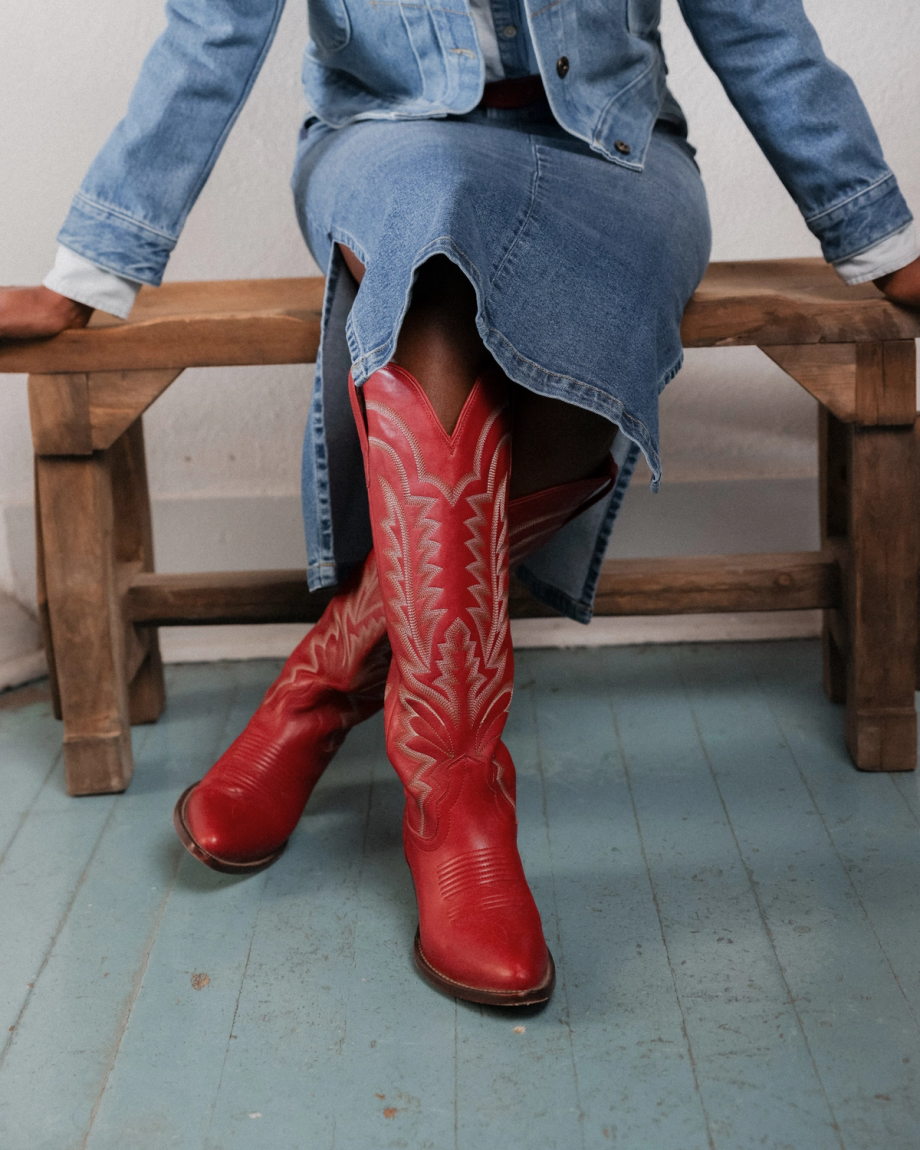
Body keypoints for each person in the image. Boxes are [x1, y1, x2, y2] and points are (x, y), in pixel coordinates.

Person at [2, 0, 920, 1006]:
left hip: (616, 159)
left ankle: (320, 682)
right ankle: (458, 800)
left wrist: (878, 238)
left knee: (566, 408)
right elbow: (211, 32)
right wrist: (92, 267)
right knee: (429, 241)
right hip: (387, 148)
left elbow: (753, 24)